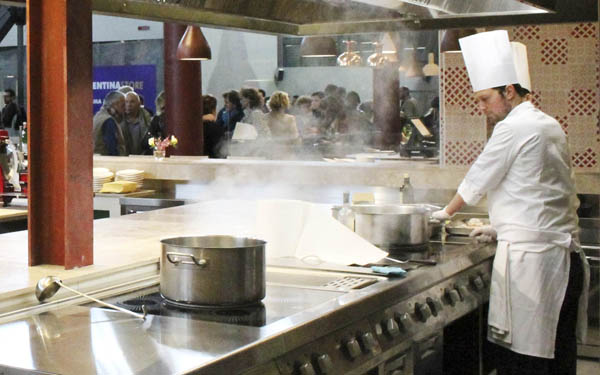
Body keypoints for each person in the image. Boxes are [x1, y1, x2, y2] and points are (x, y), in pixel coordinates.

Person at [431, 31, 589, 375]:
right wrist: (498, 226)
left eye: (486, 99)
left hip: (536, 267)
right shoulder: (548, 125)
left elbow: (480, 176)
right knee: (559, 359)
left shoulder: (514, 128)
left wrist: (442, 214)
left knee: (527, 364)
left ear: (510, 91)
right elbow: (539, 193)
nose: (482, 107)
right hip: (562, 260)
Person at [92, 91, 127, 156]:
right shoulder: (108, 121)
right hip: (108, 163)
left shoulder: (97, 116)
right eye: (123, 105)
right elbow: (112, 149)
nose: (125, 109)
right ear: (114, 105)